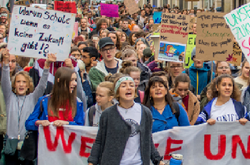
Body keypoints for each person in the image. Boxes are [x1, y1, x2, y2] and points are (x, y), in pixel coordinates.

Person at [88, 75, 164, 165]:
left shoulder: (145, 112)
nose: (128, 88)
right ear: (117, 91)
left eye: (131, 85)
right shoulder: (108, 114)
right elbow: (99, 141)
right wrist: (92, 162)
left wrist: (158, 160)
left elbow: (148, 141)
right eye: (123, 86)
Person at [2, 50, 55, 165]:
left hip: (27, 144)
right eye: (18, 82)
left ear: (28, 85)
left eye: (24, 82)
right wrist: (5, 63)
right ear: (14, 84)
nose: (21, 84)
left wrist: (47, 66)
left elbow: (42, 85)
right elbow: (5, 80)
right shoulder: (9, 97)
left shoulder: (33, 98)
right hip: (10, 143)